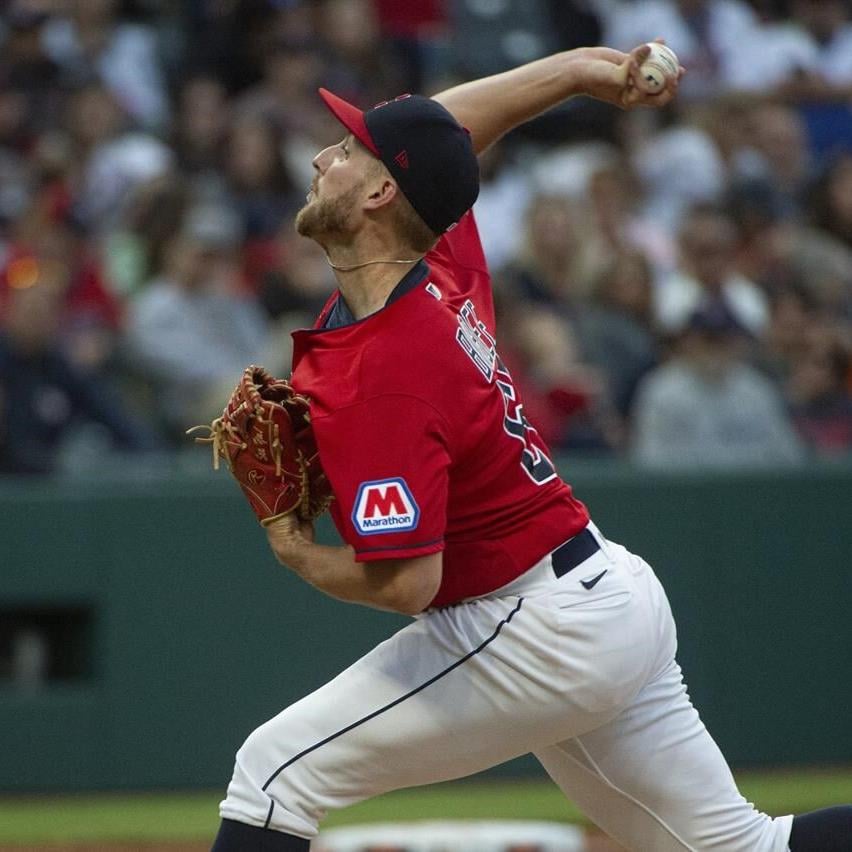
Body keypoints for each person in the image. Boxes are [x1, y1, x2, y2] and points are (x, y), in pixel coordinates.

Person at [210, 45, 852, 852]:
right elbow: (447, 133)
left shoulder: (387, 369)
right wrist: (582, 69)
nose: (319, 155)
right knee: (742, 849)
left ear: (378, 192)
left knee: (273, 775)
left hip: (532, 625)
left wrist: (293, 547)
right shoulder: (432, 260)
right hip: (599, 595)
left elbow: (411, 583)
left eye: (343, 151)